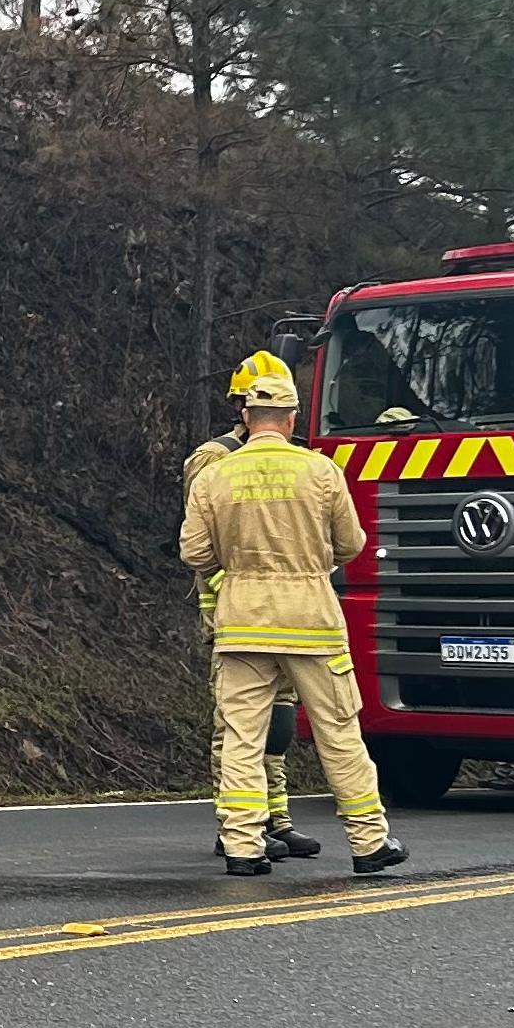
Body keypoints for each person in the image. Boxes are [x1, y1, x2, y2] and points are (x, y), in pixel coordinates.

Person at [182, 359, 401, 877]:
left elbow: (193, 552)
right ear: (292, 415)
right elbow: (352, 544)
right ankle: (369, 842)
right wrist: (310, 559)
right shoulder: (320, 470)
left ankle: (242, 847)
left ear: (246, 413)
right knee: (339, 732)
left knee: (241, 737)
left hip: (242, 622)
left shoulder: (215, 474)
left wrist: (235, 566)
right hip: (312, 622)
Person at [187, 354, 319, 860]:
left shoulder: (295, 460)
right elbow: (202, 542)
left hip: (286, 609)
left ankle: (276, 820)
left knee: (279, 721)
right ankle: (236, 825)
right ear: (242, 409)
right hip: (232, 610)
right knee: (238, 722)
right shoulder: (213, 460)